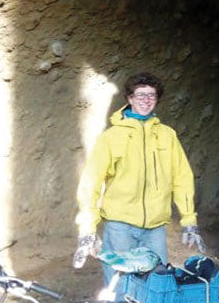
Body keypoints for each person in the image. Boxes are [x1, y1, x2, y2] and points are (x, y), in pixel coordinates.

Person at [74, 72, 205, 270]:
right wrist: (88, 228)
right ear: (130, 98)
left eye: (151, 95)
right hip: (120, 226)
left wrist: (189, 220)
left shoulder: (167, 136)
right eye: (140, 95)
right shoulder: (111, 137)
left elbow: (182, 178)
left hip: (155, 228)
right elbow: (91, 182)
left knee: (155, 283)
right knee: (120, 285)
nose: (146, 100)